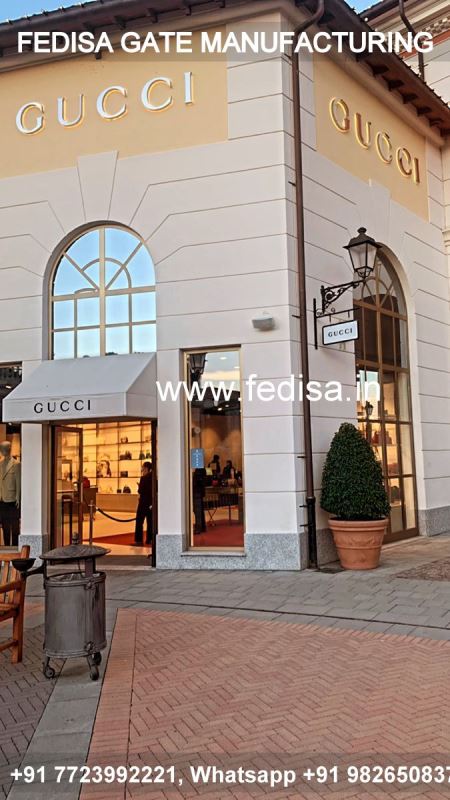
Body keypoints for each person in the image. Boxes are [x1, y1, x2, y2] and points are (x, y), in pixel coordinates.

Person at [0, 441, 21, 548]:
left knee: (15, 525)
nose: (3, 450)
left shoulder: (16, 464)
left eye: (5, 448)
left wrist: (18, 496)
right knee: (5, 526)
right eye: (1, 448)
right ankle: (7, 546)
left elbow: (19, 481)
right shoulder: (0, 463)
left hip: (13, 499)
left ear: (9, 449)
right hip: (2, 499)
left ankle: (15, 546)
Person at [134, 461, 153, 546]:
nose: (142, 470)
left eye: (143, 468)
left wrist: (139, 486)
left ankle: (139, 540)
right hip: (151, 503)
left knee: (139, 521)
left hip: (143, 502)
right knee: (150, 522)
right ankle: (150, 539)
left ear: (146, 468)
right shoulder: (154, 478)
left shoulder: (144, 478)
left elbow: (140, 491)